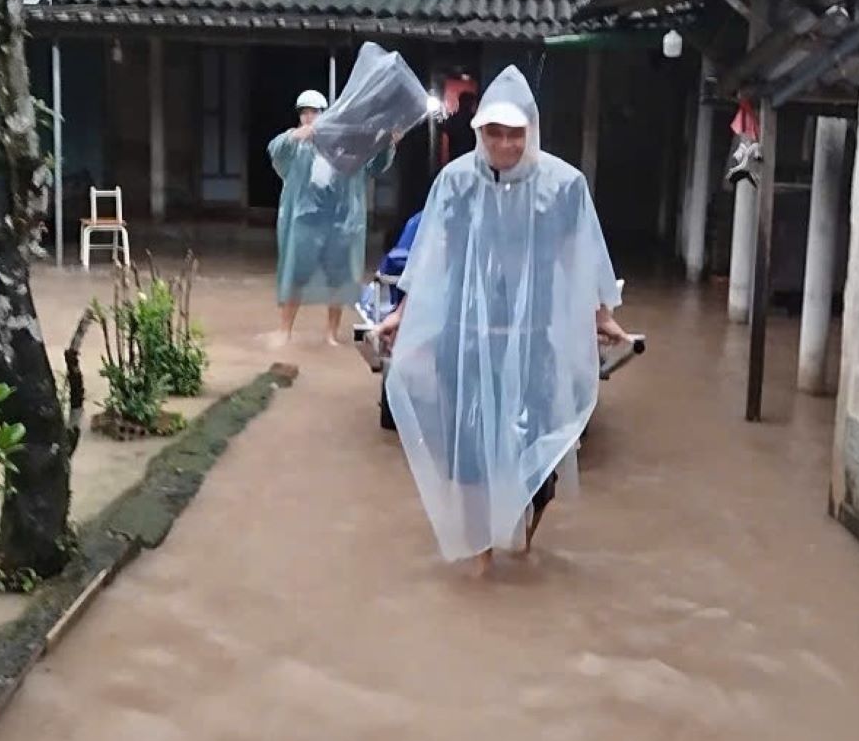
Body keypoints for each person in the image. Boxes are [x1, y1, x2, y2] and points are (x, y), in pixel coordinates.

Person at [373, 66, 631, 577]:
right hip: (466, 339)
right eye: (495, 133)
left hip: (534, 339)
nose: (506, 144)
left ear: (530, 132)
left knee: (537, 456)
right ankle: (482, 555)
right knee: (468, 456)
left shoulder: (563, 187)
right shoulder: (456, 183)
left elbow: (580, 258)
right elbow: (433, 255)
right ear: (479, 133)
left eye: (515, 134)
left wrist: (601, 316)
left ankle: (525, 535)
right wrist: (401, 313)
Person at [267, 89, 397, 346]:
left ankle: (331, 334)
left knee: (338, 279)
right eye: (304, 112)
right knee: (296, 275)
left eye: (314, 112)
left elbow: (374, 165)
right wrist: (295, 136)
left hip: (340, 222)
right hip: (305, 221)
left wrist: (389, 143)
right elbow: (275, 151)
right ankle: (284, 331)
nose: (309, 117)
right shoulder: (295, 144)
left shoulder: (346, 146)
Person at [442, 90, 478, 163]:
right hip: (470, 158)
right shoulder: (474, 120)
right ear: (471, 104)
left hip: (454, 157)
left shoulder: (452, 119)